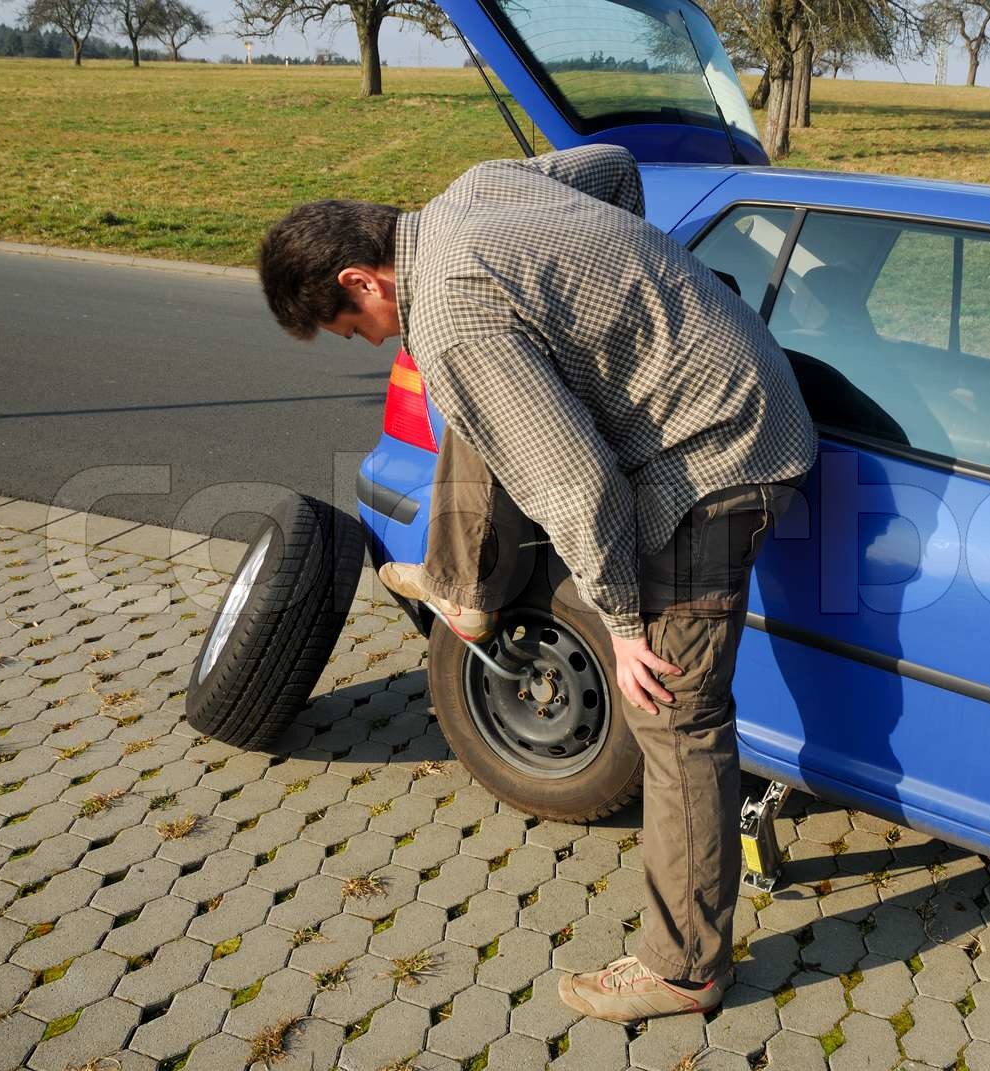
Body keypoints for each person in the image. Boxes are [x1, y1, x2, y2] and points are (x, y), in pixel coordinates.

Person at [257, 143, 816, 1023]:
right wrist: (630, 291)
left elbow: (579, 481)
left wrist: (625, 622)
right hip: (737, 369)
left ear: (364, 280)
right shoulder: (476, 186)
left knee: (674, 713)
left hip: (720, 453)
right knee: (492, 397)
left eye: (352, 327)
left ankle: (686, 968)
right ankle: (465, 581)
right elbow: (617, 168)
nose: (373, 343)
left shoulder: (447, 314)